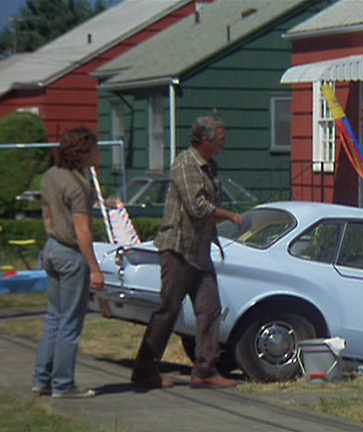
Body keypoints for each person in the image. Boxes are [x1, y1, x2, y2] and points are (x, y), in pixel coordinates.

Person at [131, 116, 243, 390]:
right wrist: (229, 216)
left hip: (201, 252)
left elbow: (210, 210)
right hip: (179, 249)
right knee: (168, 310)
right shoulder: (186, 163)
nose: (224, 141)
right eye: (219, 136)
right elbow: (197, 207)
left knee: (210, 310)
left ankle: (204, 370)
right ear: (204, 139)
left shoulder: (211, 167)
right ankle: (144, 370)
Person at [33, 127, 104, 399]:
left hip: (52, 248)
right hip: (71, 254)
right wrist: (95, 268)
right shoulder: (78, 185)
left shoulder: (52, 176)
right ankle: (63, 384)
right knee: (70, 323)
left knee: (54, 317)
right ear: (83, 152)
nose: (99, 153)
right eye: (95, 149)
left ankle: (42, 379)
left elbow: (49, 214)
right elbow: (83, 230)